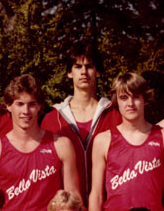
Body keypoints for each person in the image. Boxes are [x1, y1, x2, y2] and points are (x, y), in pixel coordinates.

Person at [0, 74, 80, 211]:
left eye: (31, 104)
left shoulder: (61, 145)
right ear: (8, 106)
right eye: (19, 104)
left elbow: (74, 201)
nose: (26, 111)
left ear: (40, 106)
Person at [88, 73, 164, 211]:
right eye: (123, 97)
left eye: (136, 97)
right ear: (116, 101)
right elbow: (96, 195)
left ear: (145, 99)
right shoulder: (103, 140)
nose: (130, 103)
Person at [41, 42, 122, 199]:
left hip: (108, 205)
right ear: (69, 73)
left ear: (98, 71)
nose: (84, 72)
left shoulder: (115, 113)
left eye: (89, 66)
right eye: (77, 66)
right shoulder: (52, 118)